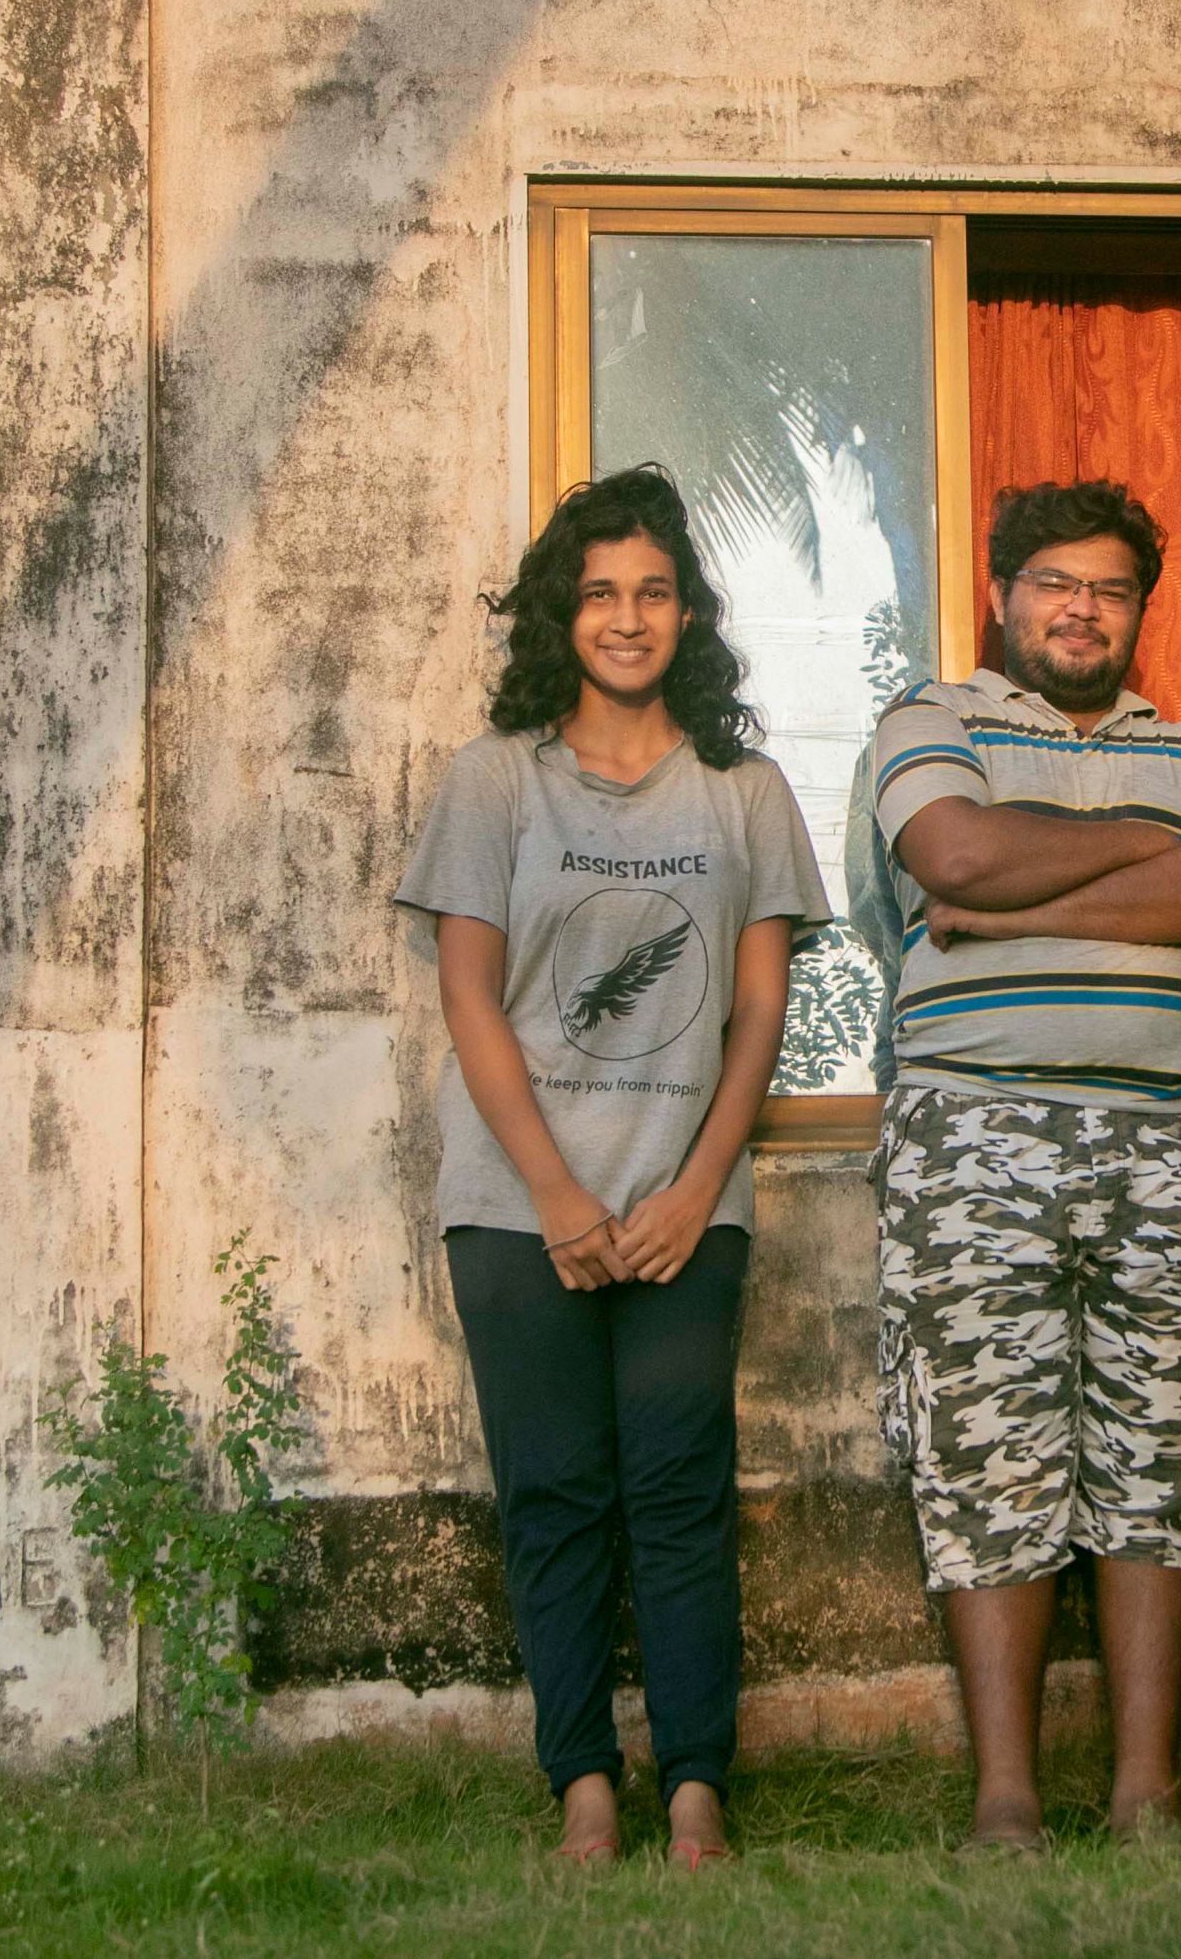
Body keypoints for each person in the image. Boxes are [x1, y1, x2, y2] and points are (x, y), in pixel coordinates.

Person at [393, 465, 830, 1868]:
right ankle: (584, 1780)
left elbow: (759, 1011)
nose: (626, 617)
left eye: (651, 591)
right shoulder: (493, 777)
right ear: (559, 615)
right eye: (598, 592)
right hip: (517, 1208)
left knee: (678, 1488)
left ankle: (694, 1784)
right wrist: (561, 1197)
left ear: (687, 613)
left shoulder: (743, 792)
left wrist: (697, 1189)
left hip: (684, 1207)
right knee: (558, 1493)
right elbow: (472, 996)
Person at [868, 479, 1181, 1851]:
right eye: (1056, 582)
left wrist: (1013, 898)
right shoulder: (932, 720)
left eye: (1110, 589)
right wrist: (1137, 848)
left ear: (1138, 612)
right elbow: (953, 850)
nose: (1081, 608)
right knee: (988, 1463)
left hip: (1170, 1136)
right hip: (972, 1130)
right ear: (1003, 595)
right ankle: (1006, 1799)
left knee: (1161, 1457)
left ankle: (1147, 1795)